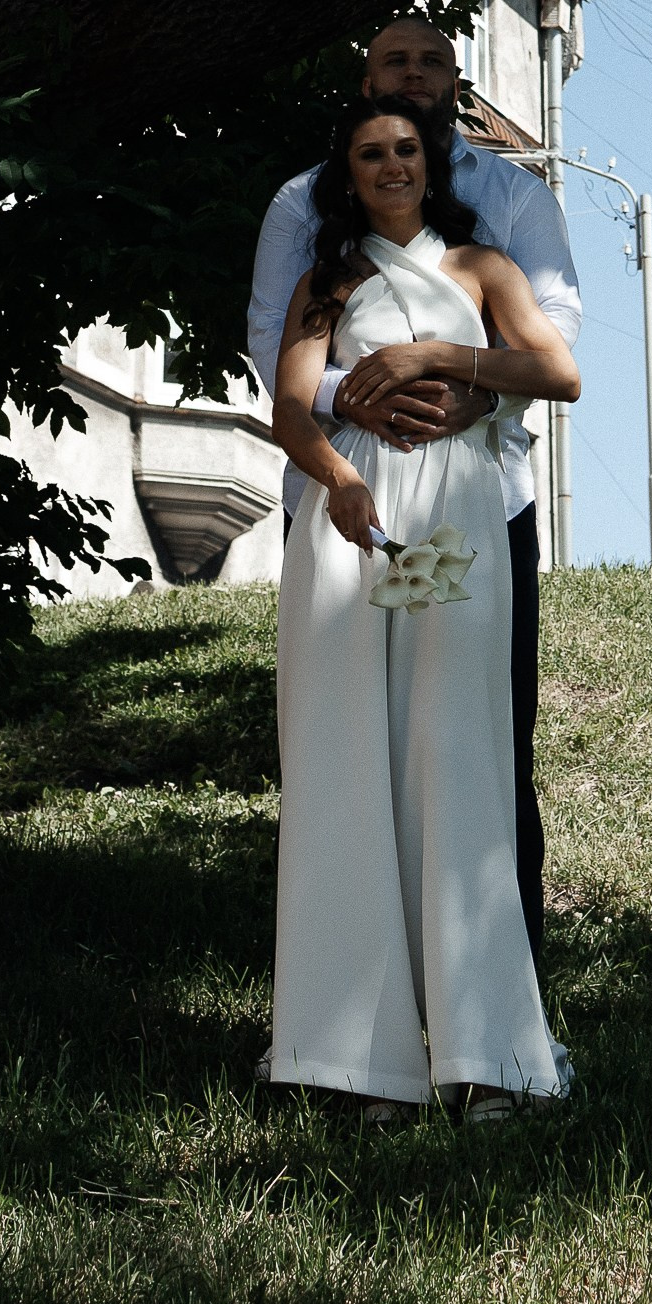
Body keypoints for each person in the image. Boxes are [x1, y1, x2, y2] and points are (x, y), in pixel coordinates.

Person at [268, 94, 580, 1114]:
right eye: (371, 153)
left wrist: (436, 357)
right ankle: (356, 1065)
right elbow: (289, 409)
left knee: (459, 758)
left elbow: (557, 371)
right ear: (347, 173)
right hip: (355, 520)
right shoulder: (327, 280)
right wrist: (340, 480)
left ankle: (486, 1059)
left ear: (429, 162)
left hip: (455, 514)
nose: (392, 165)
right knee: (348, 761)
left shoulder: (482, 269)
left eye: (406, 149)